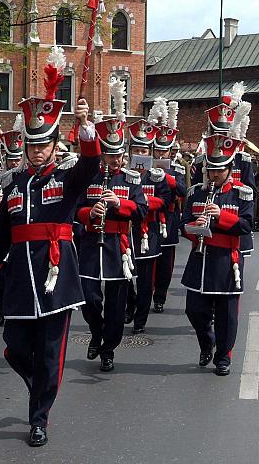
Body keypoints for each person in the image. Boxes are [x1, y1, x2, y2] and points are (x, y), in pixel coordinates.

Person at [0, 46, 99, 447]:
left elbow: (90, 167)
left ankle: (39, 417)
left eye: (42, 146)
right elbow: (0, 234)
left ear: (52, 146)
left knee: (50, 354)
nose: (36, 152)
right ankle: (39, 390)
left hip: (54, 278)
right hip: (17, 278)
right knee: (14, 348)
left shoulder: (65, 178)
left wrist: (85, 127)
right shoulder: (13, 183)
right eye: (31, 146)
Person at [77, 108, 147, 372]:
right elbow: (75, 209)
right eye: (109, 154)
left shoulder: (131, 180)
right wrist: (89, 212)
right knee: (89, 297)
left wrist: (120, 203)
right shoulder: (89, 177)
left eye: (118, 155)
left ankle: (108, 349)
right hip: (91, 244)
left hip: (119, 247)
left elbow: (141, 211)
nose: (115, 160)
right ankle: (96, 332)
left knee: (116, 306)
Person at [182, 134, 253, 376]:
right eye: (210, 170)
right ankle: (207, 343)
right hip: (199, 260)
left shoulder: (242, 193)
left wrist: (221, 215)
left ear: (230, 168)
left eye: (218, 171)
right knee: (193, 310)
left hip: (226, 262)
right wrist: (195, 227)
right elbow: (183, 224)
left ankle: (223, 357)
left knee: (227, 316)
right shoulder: (195, 193)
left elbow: (246, 226)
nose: (213, 175)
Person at [124, 117, 172, 334]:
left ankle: (140, 319)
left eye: (145, 151)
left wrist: (141, 204)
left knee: (145, 281)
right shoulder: (123, 176)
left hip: (147, 233)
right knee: (124, 277)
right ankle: (130, 304)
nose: (141, 155)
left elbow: (165, 200)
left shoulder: (156, 177)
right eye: (137, 150)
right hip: (125, 233)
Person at [0, 118, 25, 327]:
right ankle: (1, 311)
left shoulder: (24, 178)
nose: (13, 163)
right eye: (10, 159)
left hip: (17, 230)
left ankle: (12, 309)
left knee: (15, 276)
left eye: (16, 158)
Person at [151, 99, 186, 314]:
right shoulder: (143, 166)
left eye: (165, 151)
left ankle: (160, 295)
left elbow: (183, 191)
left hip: (169, 219)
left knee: (165, 262)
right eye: (158, 150)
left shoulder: (178, 169)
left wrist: (169, 178)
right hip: (149, 217)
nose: (161, 155)